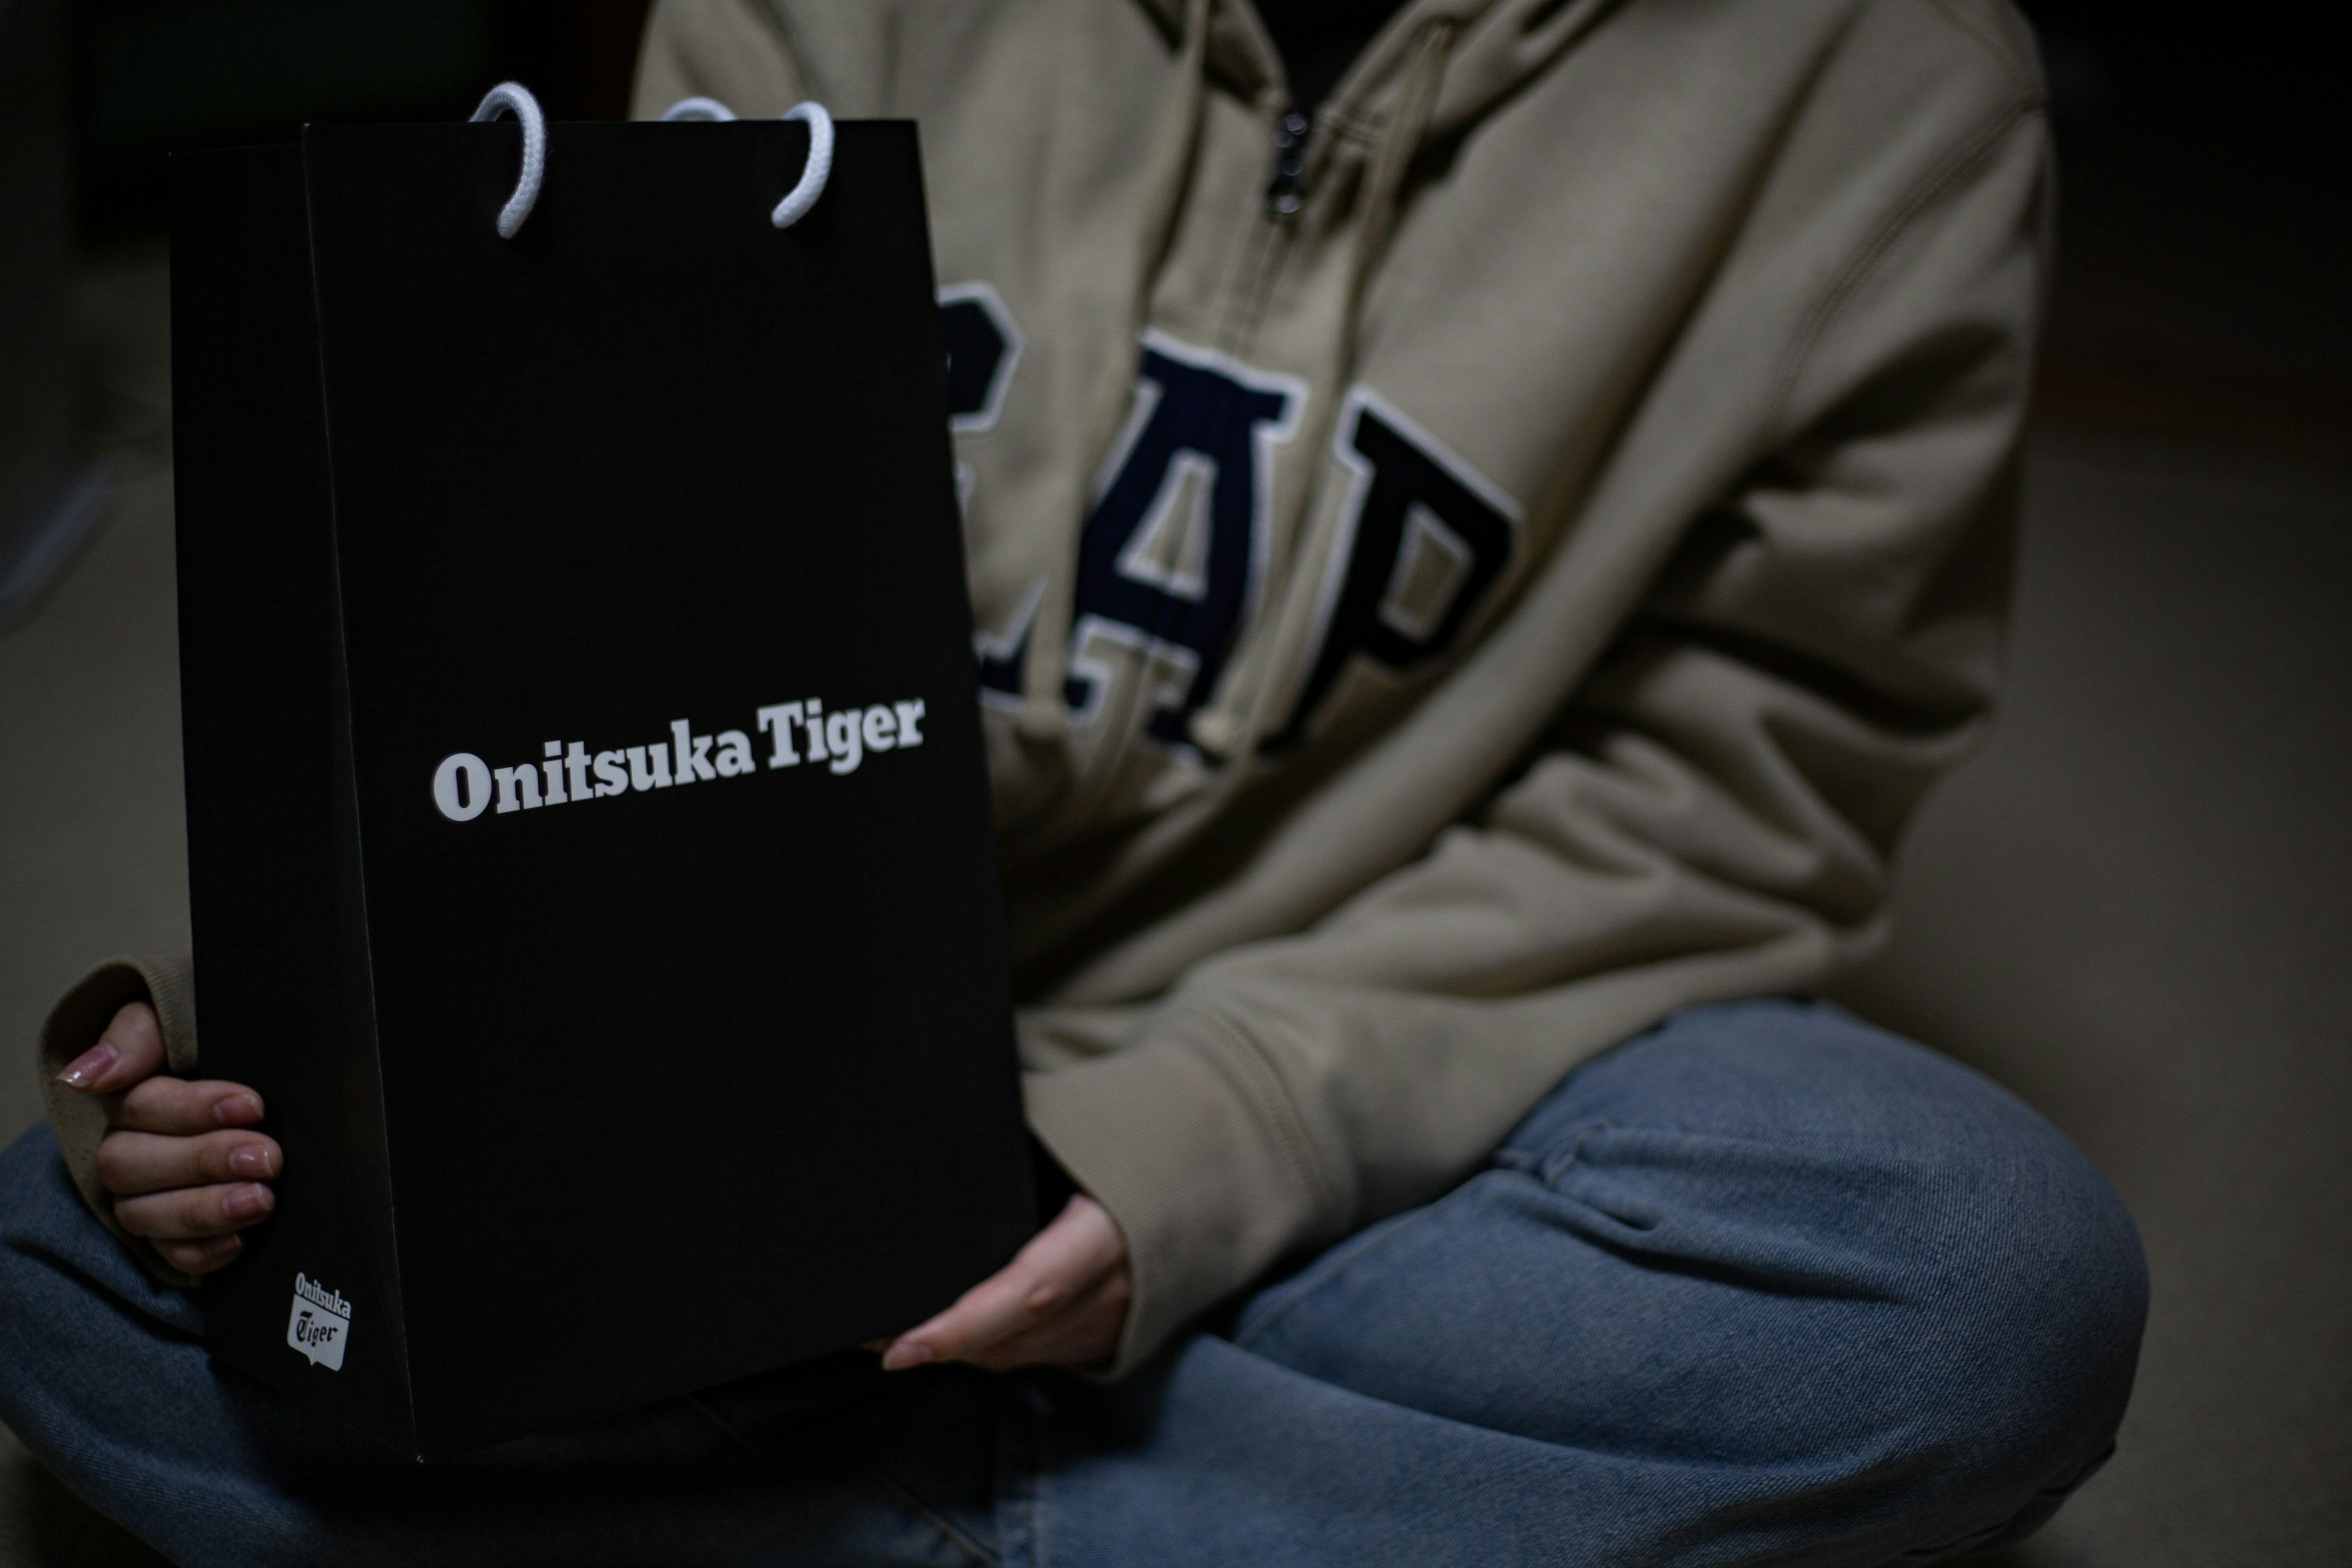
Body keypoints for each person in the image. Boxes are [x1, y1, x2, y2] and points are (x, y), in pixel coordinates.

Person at [0, 1, 2147, 1562]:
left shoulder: (1893, 87)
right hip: (790, 1066)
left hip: (1398, 1080)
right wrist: (332, 1038)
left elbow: (1731, 791)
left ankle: (824, 1505)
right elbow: (616, 698)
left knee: (1979, 1277)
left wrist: (1216, 1140)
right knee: (64, 1263)